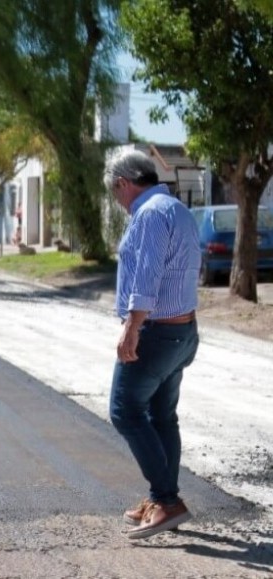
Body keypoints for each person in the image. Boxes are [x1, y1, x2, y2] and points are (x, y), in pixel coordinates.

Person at [103, 149, 201, 540]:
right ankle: (162, 498)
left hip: (156, 333)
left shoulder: (149, 214)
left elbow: (148, 273)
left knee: (125, 410)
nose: (116, 200)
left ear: (124, 184)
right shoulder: (176, 208)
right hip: (182, 332)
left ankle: (168, 501)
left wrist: (132, 326)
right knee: (162, 417)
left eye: (114, 191)